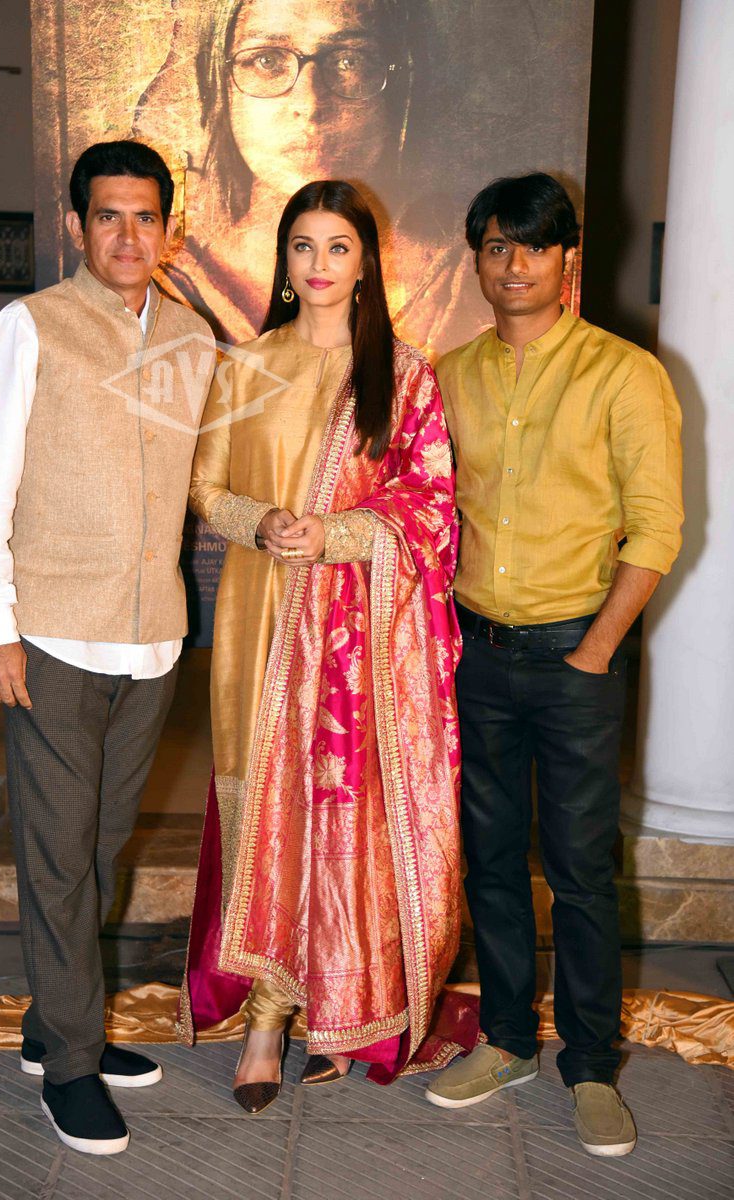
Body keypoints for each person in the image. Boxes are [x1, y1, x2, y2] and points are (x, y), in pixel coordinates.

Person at [180, 178, 479, 1113]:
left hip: (361, 643)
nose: (318, 264)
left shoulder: (404, 375)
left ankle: (342, 1003)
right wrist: (263, 521)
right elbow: (204, 488)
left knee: (344, 816)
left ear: (365, 264)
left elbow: (432, 504)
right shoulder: (247, 365)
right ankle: (268, 1016)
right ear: (284, 260)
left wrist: (341, 533)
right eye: (302, 246)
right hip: (261, 624)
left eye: (337, 247)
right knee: (270, 812)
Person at [0, 140, 215, 1154]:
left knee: (99, 849)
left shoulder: (192, 338)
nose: (127, 235)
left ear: (169, 231)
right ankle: (69, 1063)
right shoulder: (28, 329)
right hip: (52, 634)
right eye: (108, 216)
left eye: (145, 217)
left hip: (151, 638)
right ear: (77, 226)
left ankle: (52, 1022)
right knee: (60, 860)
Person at [426, 173, 683, 1155]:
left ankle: (591, 1064)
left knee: (579, 870)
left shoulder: (625, 374)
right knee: (490, 861)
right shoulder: (450, 375)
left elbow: (657, 528)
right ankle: (504, 1041)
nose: (515, 265)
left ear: (568, 257)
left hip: (578, 658)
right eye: (497, 246)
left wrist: (594, 653)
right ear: (476, 260)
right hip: (477, 656)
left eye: (534, 246)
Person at [132, 0, 475, 356]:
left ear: (400, 86)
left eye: (349, 61)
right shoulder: (160, 291)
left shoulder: (460, 281)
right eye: (267, 61)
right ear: (218, 83)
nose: (310, 105)